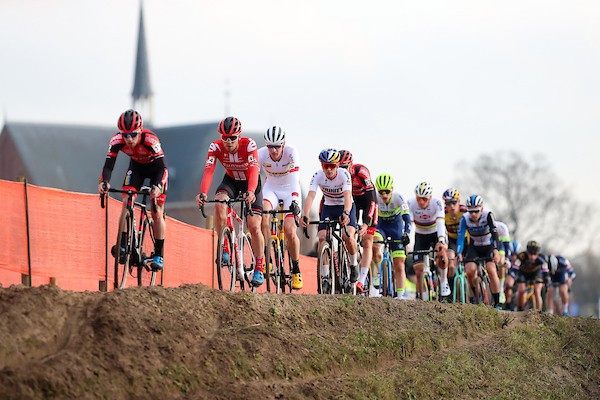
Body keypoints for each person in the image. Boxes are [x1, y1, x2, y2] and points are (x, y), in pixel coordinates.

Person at [195, 117, 266, 287]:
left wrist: (250, 191)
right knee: (219, 204)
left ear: (239, 136)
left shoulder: (249, 145)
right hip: (231, 181)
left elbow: (255, 170)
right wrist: (203, 193)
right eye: (225, 137)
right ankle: (225, 247)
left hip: (251, 183)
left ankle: (259, 266)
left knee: (254, 226)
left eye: (232, 138)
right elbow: (209, 171)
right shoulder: (215, 146)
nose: (228, 141)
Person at [98, 109, 168, 271]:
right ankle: (123, 245)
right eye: (125, 135)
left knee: (156, 212)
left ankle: (159, 254)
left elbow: (162, 168)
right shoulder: (116, 140)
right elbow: (108, 165)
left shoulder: (151, 140)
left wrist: (158, 187)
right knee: (126, 200)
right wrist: (104, 182)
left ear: (140, 131)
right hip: (136, 169)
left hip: (156, 171)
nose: (129, 139)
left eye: (133, 135)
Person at [299, 149, 360, 286]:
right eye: (325, 166)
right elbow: (311, 196)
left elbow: (347, 197)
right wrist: (305, 213)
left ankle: (354, 264)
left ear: (337, 165)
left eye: (332, 166)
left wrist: (346, 213)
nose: (329, 170)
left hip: (345, 206)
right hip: (329, 207)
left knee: (347, 236)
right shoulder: (317, 176)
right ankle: (325, 276)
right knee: (321, 238)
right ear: (322, 166)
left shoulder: (344, 175)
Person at [257, 126, 303, 290]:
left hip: (291, 190)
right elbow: (254, 177)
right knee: (264, 216)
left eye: (277, 146)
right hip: (272, 189)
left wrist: (295, 202)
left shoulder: (291, 152)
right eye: (270, 146)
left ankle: (296, 269)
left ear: (283, 144)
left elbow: (294, 178)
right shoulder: (260, 154)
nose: (274, 150)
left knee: (290, 231)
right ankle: (268, 259)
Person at [338, 150, 378, 294]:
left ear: (351, 165)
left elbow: (372, 199)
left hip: (367, 201)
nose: (342, 171)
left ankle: (361, 280)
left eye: (345, 167)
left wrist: (366, 223)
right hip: (352, 202)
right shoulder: (337, 176)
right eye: (339, 168)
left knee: (367, 241)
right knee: (349, 235)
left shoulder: (361, 172)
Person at [456, 194, 502, 308]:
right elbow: (461, 237)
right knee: (470, 270)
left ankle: (497, 302)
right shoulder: (465, 218)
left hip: (488, 246)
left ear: (481, 208)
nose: (473, 214)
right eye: (470, 211)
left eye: (476, 211)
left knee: (491, 270)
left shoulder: (488, 215)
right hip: (475, 247)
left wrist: (496, 250)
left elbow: (495, 233)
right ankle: (473, 297)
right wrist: (459, 252)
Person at [407, 182, 448, 300]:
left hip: (435, 233)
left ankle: (444, 280)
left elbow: (441, 222)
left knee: (442, 254)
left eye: (424, 199)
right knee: (418, 270)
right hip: (420, 235)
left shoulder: (437, 203)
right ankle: (423, 298)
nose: (421, 202)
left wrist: (441, 240)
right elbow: (409, 224)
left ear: (430, 197)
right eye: (419, 198)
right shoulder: (411, 204)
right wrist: (407, 241)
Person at [372, 173, 411, 299]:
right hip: (381, 226)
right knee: (375, 245)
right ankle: (378, 273)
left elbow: (407, 219)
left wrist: (407, 233)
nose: (384, 195)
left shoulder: (399, 198)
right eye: (381, 192)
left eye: (387, 192)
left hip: (396, 227)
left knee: (399, 264)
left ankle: (400, 296)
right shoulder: (375, 198)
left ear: (392, 190)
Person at [442, 188, 467, 298]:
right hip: (452, 240)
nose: (451, 206)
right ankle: (451, 292)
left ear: (459, 201)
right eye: (448, 203)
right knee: (450, 264)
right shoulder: (443, 213)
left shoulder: (465, 212)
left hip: (467, 240)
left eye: (454, 202)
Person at [513, 240, 547, 311]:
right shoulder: (522, 256)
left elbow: (545, 270)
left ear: (538, 254)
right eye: (530, 254)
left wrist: (546, 279)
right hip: (523, 273)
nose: (532, 257)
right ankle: (519, 308)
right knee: (521, 290)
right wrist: (514, 275)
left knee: (537, 291)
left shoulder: (542, 258)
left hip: (536, 274)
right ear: (527, 252)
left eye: (535, 254)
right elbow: (515, 266)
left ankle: (539, 312)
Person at [495, 220, 512, 305]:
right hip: (485, 245)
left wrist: (507, 260)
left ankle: (501, 289)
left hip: (499, 246)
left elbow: (507, 245)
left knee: (501, 261)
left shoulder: (501, 227)